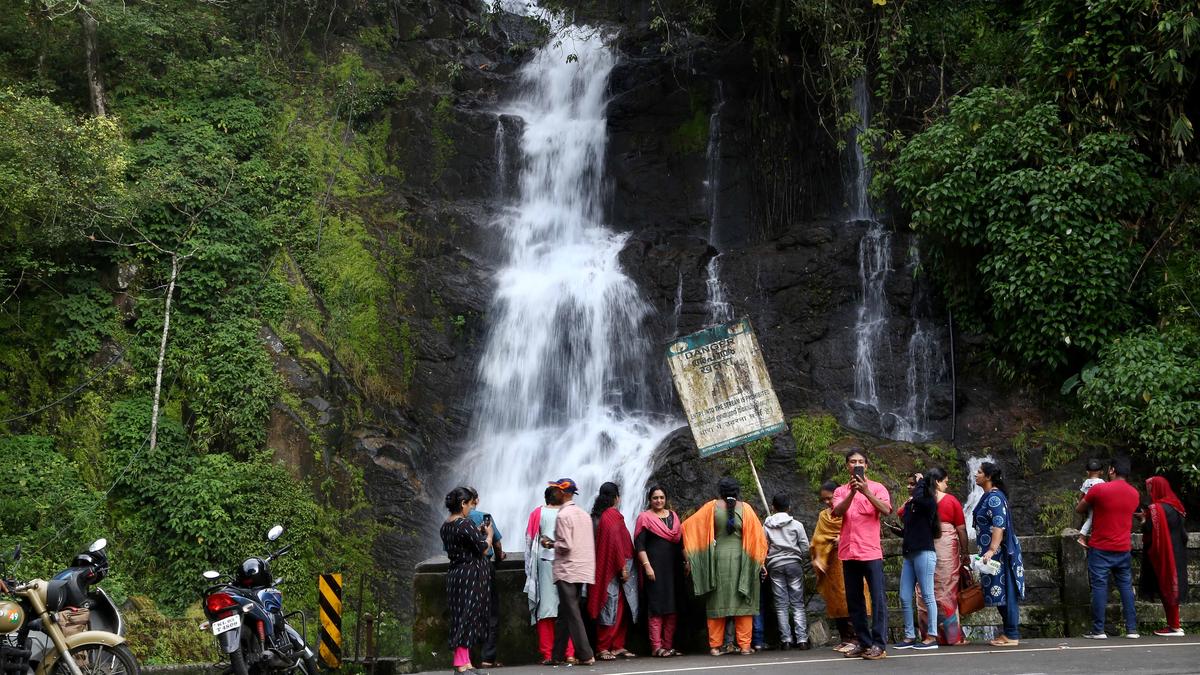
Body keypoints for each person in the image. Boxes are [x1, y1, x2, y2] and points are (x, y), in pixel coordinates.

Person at [682, 477, 767, 656]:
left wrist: (693, 557)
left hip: (717, 560)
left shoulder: (711, 507)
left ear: (720, 491)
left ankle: (714, 647)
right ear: (737, 491)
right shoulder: (747, 509)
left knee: (716, 601)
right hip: (743, 561)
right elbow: (759, 539)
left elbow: (687, 527)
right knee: (743, 601)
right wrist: (760, 563)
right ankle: (745, 647)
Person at [831, 449, 891, 660]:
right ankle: (864, 643)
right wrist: (852, 493)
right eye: (852, 461)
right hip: (848, 552)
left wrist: (866, 492)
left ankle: (879, 645)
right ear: (847, 466)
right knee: (855, 601)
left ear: (867, 465)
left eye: (860, 461)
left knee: (878, 600)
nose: (857, 464)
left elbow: (886, 509)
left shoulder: (878, 488)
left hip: (871, 552)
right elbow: (837, 512)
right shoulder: (840, 491)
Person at [1076, 456, 1140, 639]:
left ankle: (1098, 630)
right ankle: (1132, 629)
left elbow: (1080, 509)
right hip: (1123, 548)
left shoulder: (1099, 489)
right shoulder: (1134, 493)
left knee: (1099, 588)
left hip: (1101, 547)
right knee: (1126, 587)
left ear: (1111, 470)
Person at [440, 486, 494, 675]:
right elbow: (482, 549)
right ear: (463, 503)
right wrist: (489, 535)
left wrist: (476, 533)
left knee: (460, 615)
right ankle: (460, 664)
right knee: (468, 616)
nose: (471, 508)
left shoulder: (445, 526)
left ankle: (466, 661)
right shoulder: (465, 524)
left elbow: (462, 544)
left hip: (455, 573)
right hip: (470, 574)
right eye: (470, 505)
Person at [973, 461, 1024, 647]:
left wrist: (992, 549)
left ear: (988, 477)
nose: (975, 475)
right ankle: (1008, 632)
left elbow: (998, 525)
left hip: (1001, 553)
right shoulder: (988, 496)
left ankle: (1011, 634)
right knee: (1001, 592)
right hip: (992, 552)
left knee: (1007, 591)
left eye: (979, 472)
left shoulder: (994, 498)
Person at [810, 480, 864, 652]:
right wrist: (825, 544)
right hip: (831, 562)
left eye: (830, 498)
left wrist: (843, 538)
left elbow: (862, 530)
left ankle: (855, 638)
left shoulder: (850, 511)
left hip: (849, 559)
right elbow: (817, 539)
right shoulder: (823, 516)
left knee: (849, 597)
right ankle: (845, 637)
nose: (827, 502)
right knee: (835, 600)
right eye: (824, 500)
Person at [588, 482, 639, 660]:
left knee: (621, 606)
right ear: (616, 498)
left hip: (616, 565)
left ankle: (617, 645)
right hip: (614, 567)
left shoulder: (603, 516)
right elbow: (615, 544)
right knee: (610, 605)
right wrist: (622, 567)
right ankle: (603, 647)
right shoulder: (610, 516)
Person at [523, 486, 574, 665]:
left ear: (546, 499)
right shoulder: (568, 512)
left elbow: (529, 542)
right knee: (566, 609)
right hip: (566, 564)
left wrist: (528, 571)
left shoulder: (537, 513)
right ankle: (569, 653)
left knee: (545, 610)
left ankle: (548, 653)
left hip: (544, 565)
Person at [920, 466, 970, 645]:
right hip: (946, 548)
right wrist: (965, 553)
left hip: (923, 547)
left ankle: (928, 635)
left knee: (925, 590)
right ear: (938, 481)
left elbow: (902, 514)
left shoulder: (920, 500)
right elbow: (962, 529)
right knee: (946, 589)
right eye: (945, 482)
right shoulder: (950, 501)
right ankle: (952, 637)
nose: (947, 486)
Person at [549, 478, 596, 666]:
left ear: (562, 493)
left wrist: (551, 543)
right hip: (583, 569)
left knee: (573, 613)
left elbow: (566, 545)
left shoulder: (563, 516)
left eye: (555, 490)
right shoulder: (584, 514)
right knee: (565, 612)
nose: (553, 493)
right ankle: (557, 655)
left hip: (567, 569)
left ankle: (586, 654)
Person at [635, 485, 684, 657]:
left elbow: (680, 542)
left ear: (666, 499)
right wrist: (647, 566)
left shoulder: (674, 516)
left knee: (672, 608)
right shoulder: (644, 518)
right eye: (655, 498)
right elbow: (639, 545)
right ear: (650, 500)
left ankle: (668, 646)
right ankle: (656, 647)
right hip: (654, 568)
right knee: (656, 607)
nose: (659, 501)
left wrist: (687, 561)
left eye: (661, 497)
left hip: (673, 568)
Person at [893, 474, 939, 651]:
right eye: (909, 484)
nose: (909, 487)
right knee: (904, 596)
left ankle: (932, 636)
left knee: (927, 595)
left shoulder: (928, 503)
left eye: (913, 484)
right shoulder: (911, 505)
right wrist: (900, 532)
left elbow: (923, 500)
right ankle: (910, 635)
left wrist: (921, 482)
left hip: (924, 553)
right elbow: (912, 529)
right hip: (909, 554)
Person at [1140, 476, 1189, 637]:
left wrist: (1143, 520)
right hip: (1178, 551)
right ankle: (1174, 624)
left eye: (1150, 488)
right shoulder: (1176, 506)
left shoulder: (1156, 508)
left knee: (1166, 585)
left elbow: (1150, 530)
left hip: (1164, 552)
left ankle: (1174, 626)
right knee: (1173, 586)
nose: (1148, 491)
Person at [763, 493, 811, 650]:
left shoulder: (767, 525)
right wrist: (799, 556)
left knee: (781, 604)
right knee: (797, 603)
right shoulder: (796, 525)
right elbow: (805, 546)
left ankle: (786, 640)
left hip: (775, 566)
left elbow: (764, 546)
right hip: (793, 564)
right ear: (789, 507)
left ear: (773, 507)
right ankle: (802, 639)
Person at [466, 491, 505, 668]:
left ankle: (467, 658)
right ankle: (487, 658)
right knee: (490, 612)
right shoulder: (484, 517)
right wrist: (499, 556)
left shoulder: (453, 521)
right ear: (477, 500)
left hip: (462, 568)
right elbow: (496, 543)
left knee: (467, 611)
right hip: (483, 565)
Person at [1077, 458, 1107, 548]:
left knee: (1091, 518)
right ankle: (1082, 536)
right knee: (1092, 519)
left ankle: (1088, 535)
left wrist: (1079, 503)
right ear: (1101, 472)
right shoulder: (1101, 482)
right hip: (1097, 504)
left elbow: (1081, 494)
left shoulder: (1086, 482)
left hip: (1088, 503)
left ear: (1087, 472)